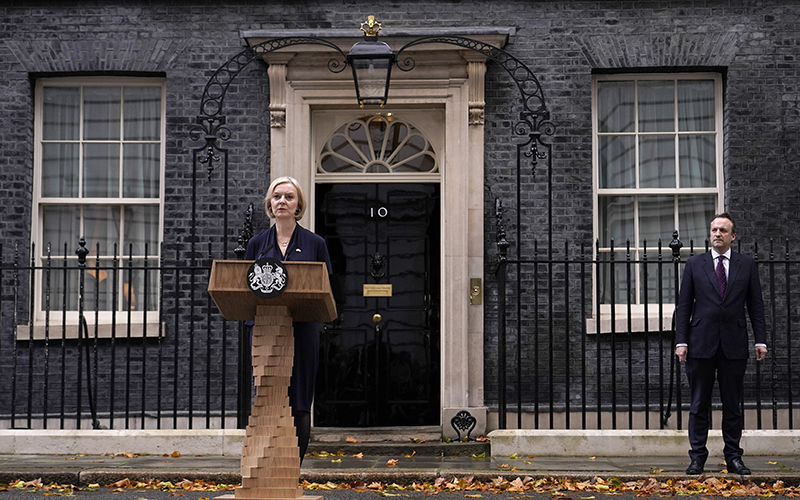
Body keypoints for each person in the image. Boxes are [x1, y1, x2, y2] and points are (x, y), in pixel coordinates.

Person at [245, 176, 332, 465]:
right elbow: (245, 288)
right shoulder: (257, 244)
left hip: (303, 329)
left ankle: (292, 467)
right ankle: (267, 468)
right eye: (277, 196)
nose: (282, 201)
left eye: (289, 197)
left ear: (299, 205)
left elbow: (325, 287)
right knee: (268, 400)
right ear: (270, 204)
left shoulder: (315, 243)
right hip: (266, 331)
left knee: (298, 400)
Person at [675, 212, 767, 476]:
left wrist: (760, 339)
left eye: (723, 231)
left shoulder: (747, 264)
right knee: (698, 404)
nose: (717, 234)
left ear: (733, 236)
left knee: (732, 405)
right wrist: (681, 341)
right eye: (714, 230)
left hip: (734, 344)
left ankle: (733, 457)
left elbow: (756, 305)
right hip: (700, 344)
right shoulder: (694, 264)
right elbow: (684, 307)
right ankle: (697, 458)